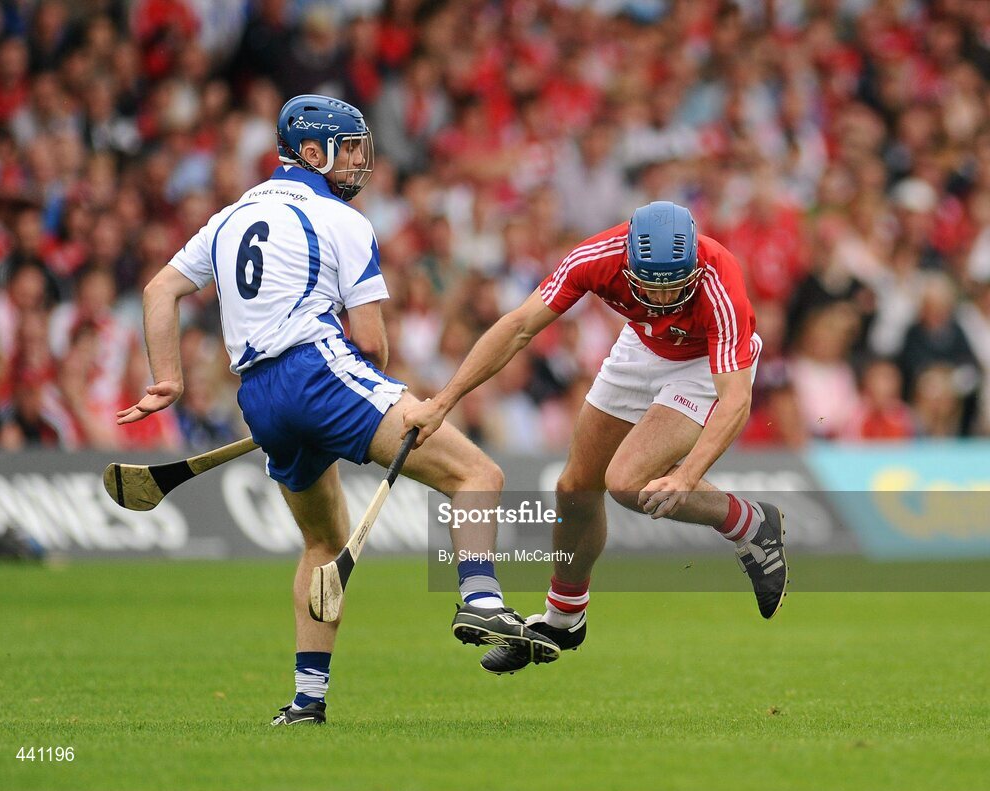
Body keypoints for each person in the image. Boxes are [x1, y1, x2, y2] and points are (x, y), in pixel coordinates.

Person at [117, 94, 559, 725]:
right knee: (477, 475)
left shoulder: (229, 216)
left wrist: (169, 380)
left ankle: (307, 701)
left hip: (259, 398)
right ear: (313, 151)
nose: (358, 163)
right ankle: (481, 598)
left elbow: (160, 288)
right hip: (320, 372)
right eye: (348, 149)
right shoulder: (341, 220)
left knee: (322, 543)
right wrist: (377, 402)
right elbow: (371, 342)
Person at [404, 201, 789, 675]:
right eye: (652, 285)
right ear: (629, 264)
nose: (665, 299)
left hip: (703, 363)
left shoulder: (720, 280)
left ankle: (748, 522)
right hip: (641, 345)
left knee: (628, 482)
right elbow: (519, 326)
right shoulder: (596, 257)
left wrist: (688, 476)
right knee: (575, 489)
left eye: (675, 287)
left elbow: (736, 401)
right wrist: (444, 401)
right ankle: (564, 618)